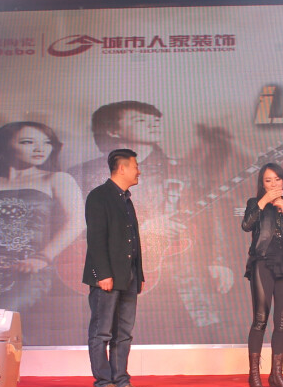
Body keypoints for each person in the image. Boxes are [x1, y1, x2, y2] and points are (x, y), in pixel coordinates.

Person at [68, 101, 233, 333]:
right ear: (113, 130)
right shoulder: (83, 174)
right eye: (141, 120)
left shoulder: (185, 170)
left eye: (156, 120)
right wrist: (142, 227)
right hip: (114, 277)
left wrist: (218, 260)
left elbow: (210, 218)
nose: (153, 124)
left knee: (193, 335)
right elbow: (72, 227)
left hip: (181, 275)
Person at [0, 121, 84, 312]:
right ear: (3, 146)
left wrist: (43, 258)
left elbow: (77, 222)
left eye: (47, 142)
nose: (40, 148)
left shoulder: (57, 179)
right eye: (28, 142)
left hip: (25, 269)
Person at [82, 149, 146, 387]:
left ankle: (122, 381)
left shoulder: (126, 199)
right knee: (102, 332)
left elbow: (132, 240)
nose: (138, 171)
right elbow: (96, 239)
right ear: (122, 168)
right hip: (107, 277)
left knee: (124, 333)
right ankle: (103, 383)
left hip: (128, 276)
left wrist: (139, 275)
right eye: (135, 166)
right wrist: (102, 274)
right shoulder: (99, 196)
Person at [241, 163, 283, 387]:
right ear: (262, 184)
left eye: (277, 179)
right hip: (263, 263)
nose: (274, 184)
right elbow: (246, 225)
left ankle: (277, 376)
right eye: (268, 180)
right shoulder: (255, 203)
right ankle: (254, 376)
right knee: (260, 319)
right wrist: (264, 201)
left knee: (282, 321)